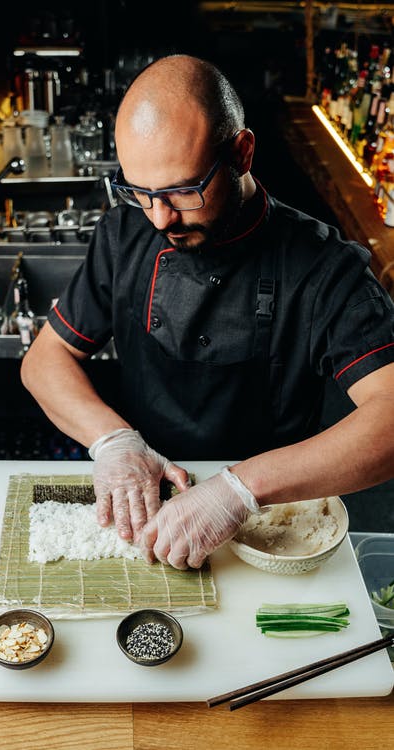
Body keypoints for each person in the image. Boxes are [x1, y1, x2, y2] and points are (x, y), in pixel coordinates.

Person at [21, 54, 394, 571]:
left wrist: (239, 490)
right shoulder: (125, 234)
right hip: (146, 503)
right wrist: (114, 442)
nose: (160, 218)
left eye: (182, 190)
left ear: (241, 152)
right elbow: (45, 359)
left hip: (265, 528)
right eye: (141, 193)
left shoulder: (323, 267)